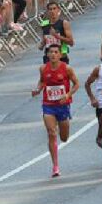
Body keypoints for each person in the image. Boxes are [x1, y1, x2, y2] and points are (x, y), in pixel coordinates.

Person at [31, 44, 80, 177]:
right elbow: (42, 82)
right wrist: (37, 90)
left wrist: (68, 95)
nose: (53, 54)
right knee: (52, 133)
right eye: (51, 52)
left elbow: (77, 84)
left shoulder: (67, 68)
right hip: (48, 105)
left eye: (56, 52)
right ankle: (55, 166)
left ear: (60, 55)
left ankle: (63, 127)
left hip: (63, 105)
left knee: (64, 138)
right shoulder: (43, 68)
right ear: (47, 55)